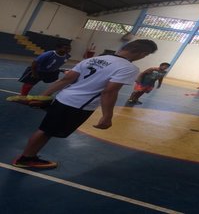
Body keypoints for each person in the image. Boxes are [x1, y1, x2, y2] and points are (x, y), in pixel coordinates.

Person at [12, 39, 158, 169]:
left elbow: (66, 79)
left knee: (46, 129)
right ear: (142, 53)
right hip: (78, 105)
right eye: (145, 55)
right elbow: (109, 92)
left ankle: (29, 156)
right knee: (46, 131)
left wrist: (43, 96)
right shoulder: (128, 67)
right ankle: (26, 159)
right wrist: (107, 116)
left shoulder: (94, 59)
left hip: (63, 98)